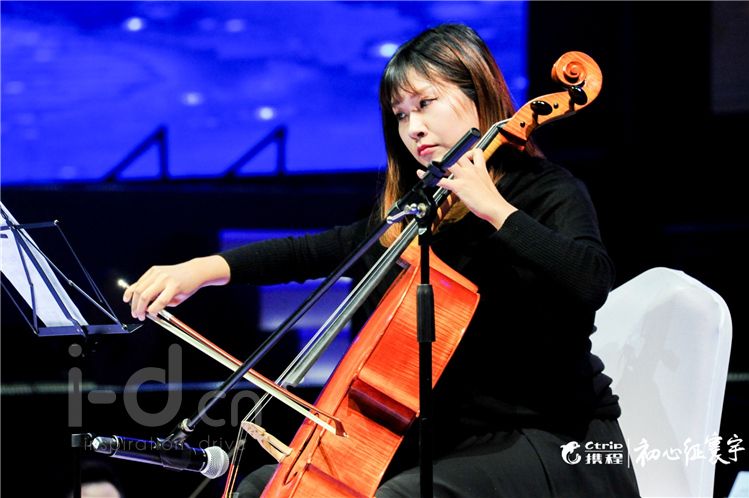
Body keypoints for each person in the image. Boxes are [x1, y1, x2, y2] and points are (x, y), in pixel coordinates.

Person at [124, 24, 639, 497]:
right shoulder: (423, 213)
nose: (413, 127)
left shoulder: (547, 190)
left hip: (555, 438)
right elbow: (314, 251)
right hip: (450, 443)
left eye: (426, 103)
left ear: (478, 94)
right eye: (401, 114)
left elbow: (590, 280)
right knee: (263, 486)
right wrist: (200, 270)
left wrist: (495, 209)